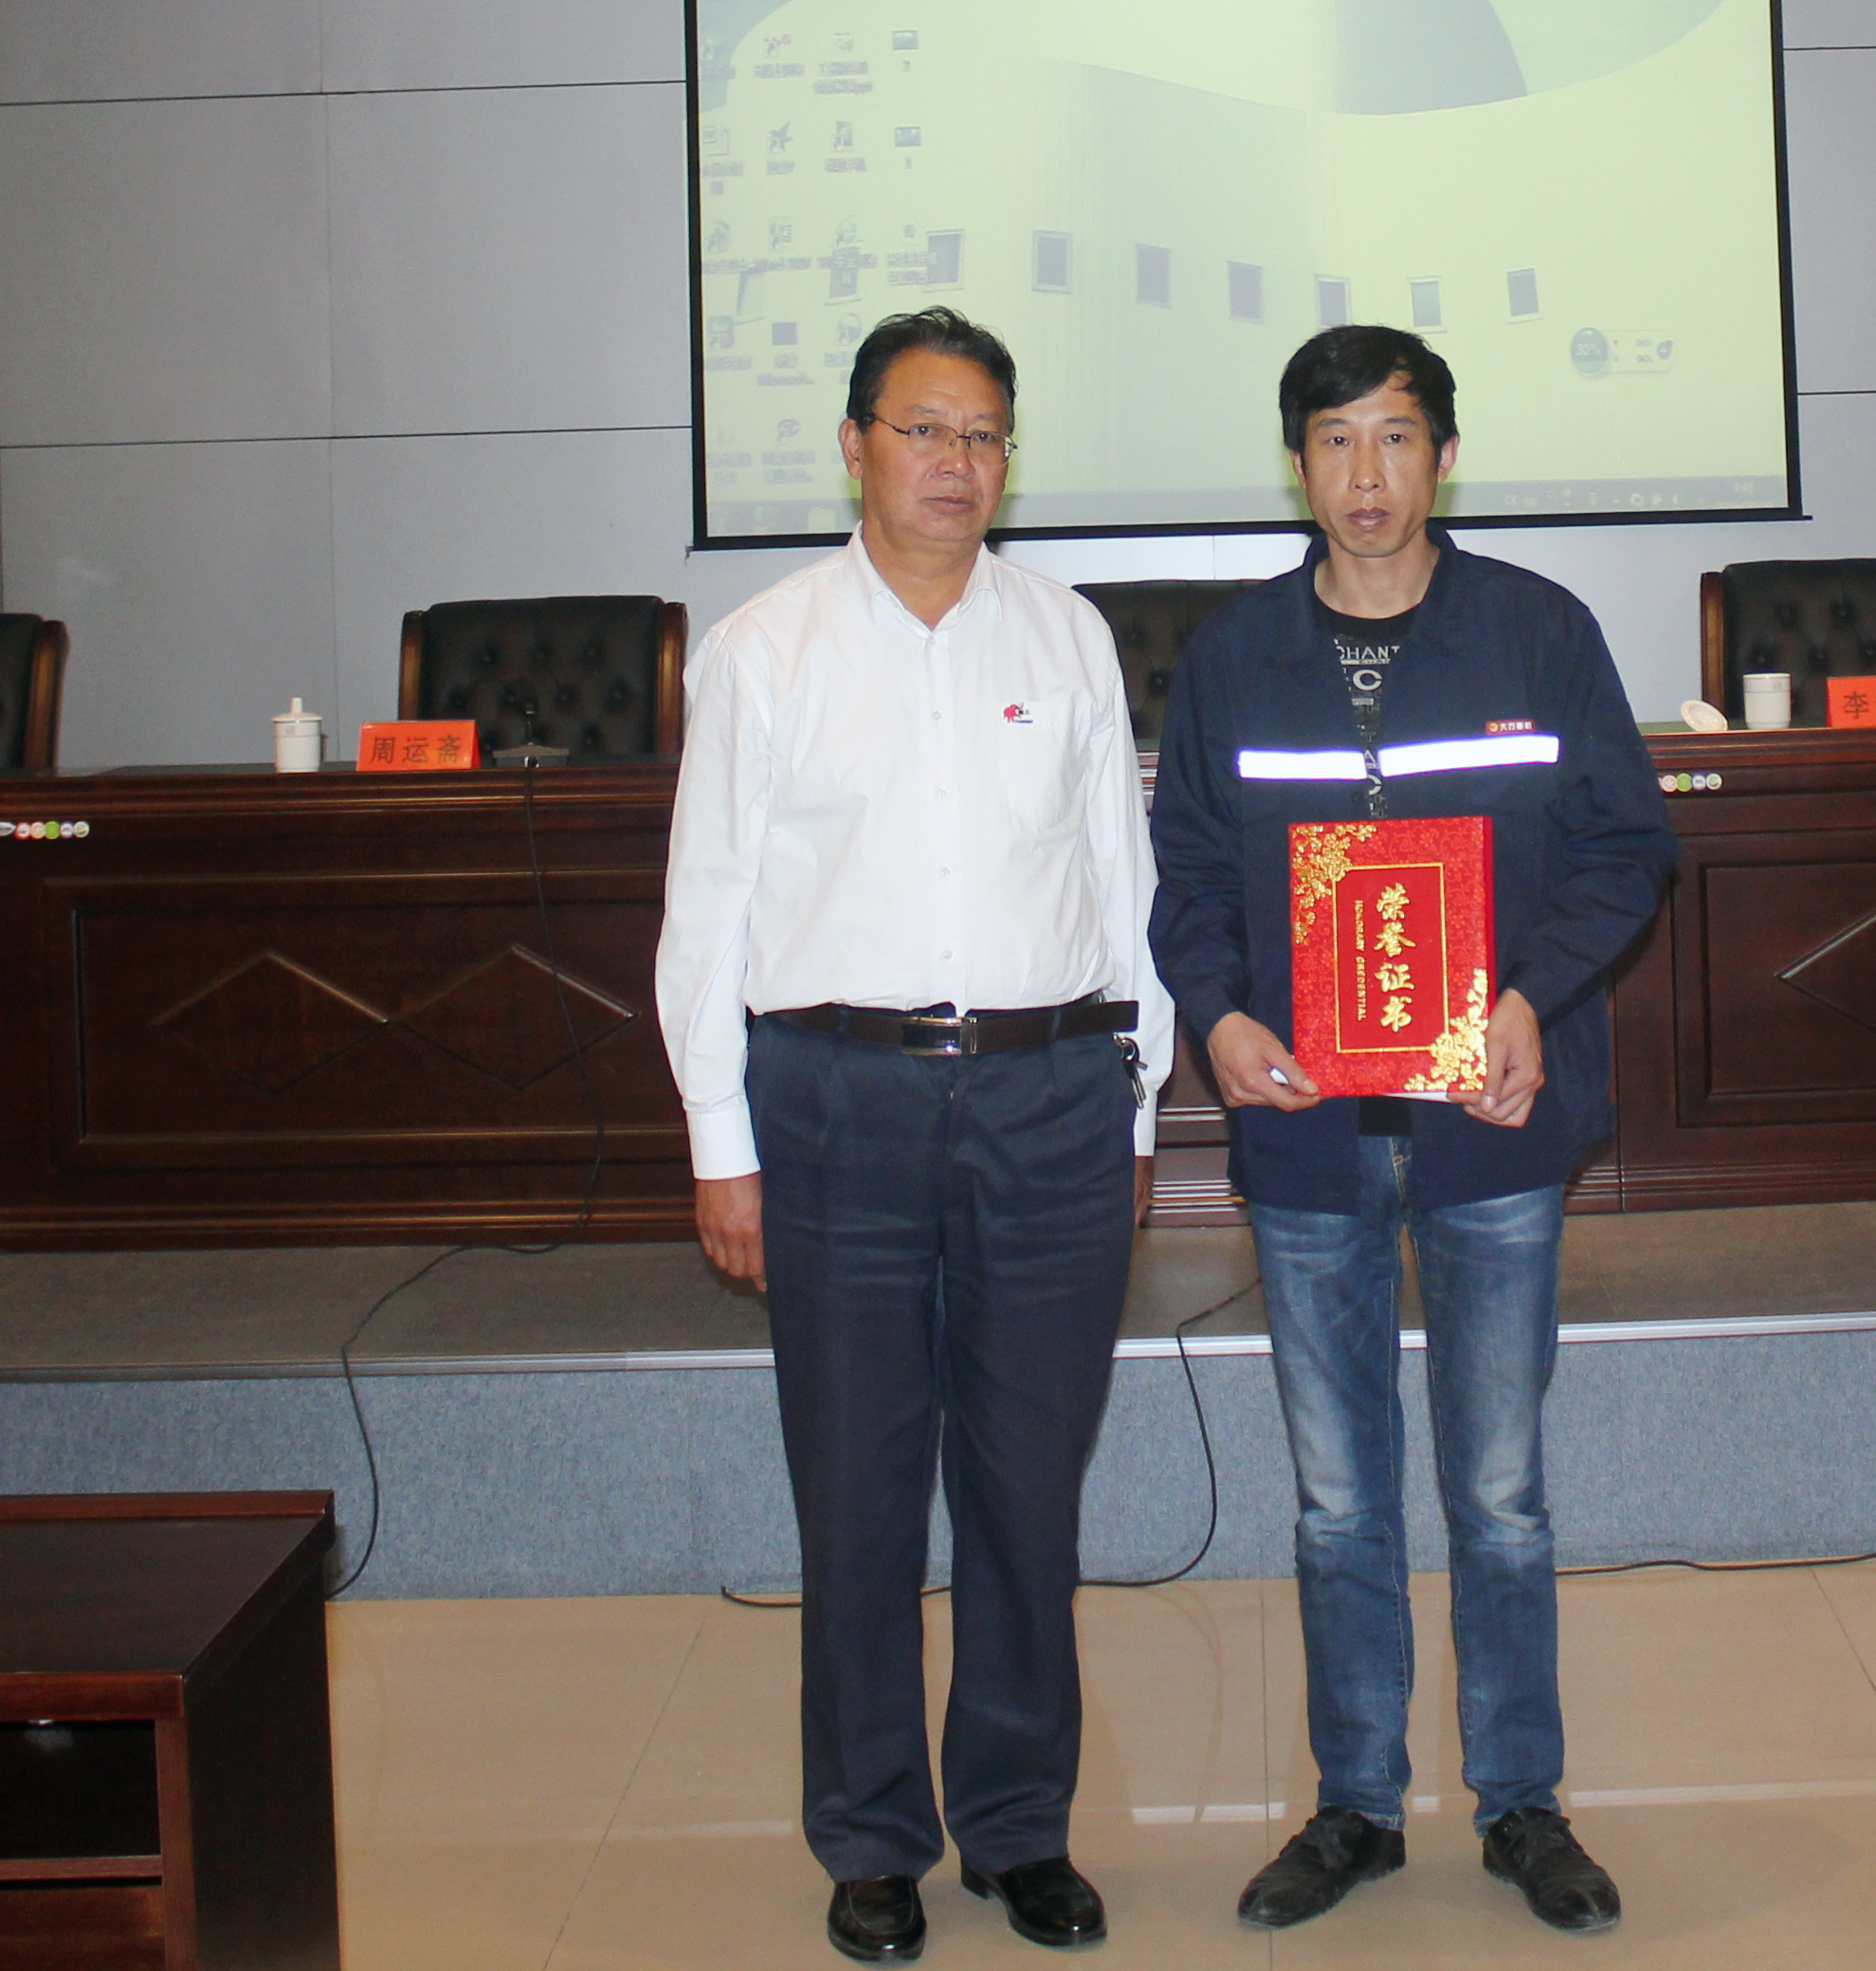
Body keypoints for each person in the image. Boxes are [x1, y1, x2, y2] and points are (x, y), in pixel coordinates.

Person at [655, 305, 1173, 1965]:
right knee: (858, 1491)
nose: (958, 462)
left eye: (985, 435)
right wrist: (720, 1141)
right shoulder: (766, 649)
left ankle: (1018, 1827)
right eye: (925, 429)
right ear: (856, 446)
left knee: (1028, 1491)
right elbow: (706, 911)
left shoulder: (1066, 636)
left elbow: (1124, 886)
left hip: (1051, 1098)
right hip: (835, 1106)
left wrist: (1139, 1097)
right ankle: (873, 1836)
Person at [1147, 325, 1679, 1934]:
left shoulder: (1538, 631)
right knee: (1336, 1502)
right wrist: (1219, 1019)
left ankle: (1521, 1802)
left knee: (1501, 1497)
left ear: (1444, 455)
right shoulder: (1234, 657)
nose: (1364, 474)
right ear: (1297, 464)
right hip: (1309, 1138)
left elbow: (1626, 850)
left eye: (1393, 438)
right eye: (1333, 440)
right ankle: (1357, 1806)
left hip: (1488, 1128)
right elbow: (1187, 878)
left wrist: (1529, 1000)